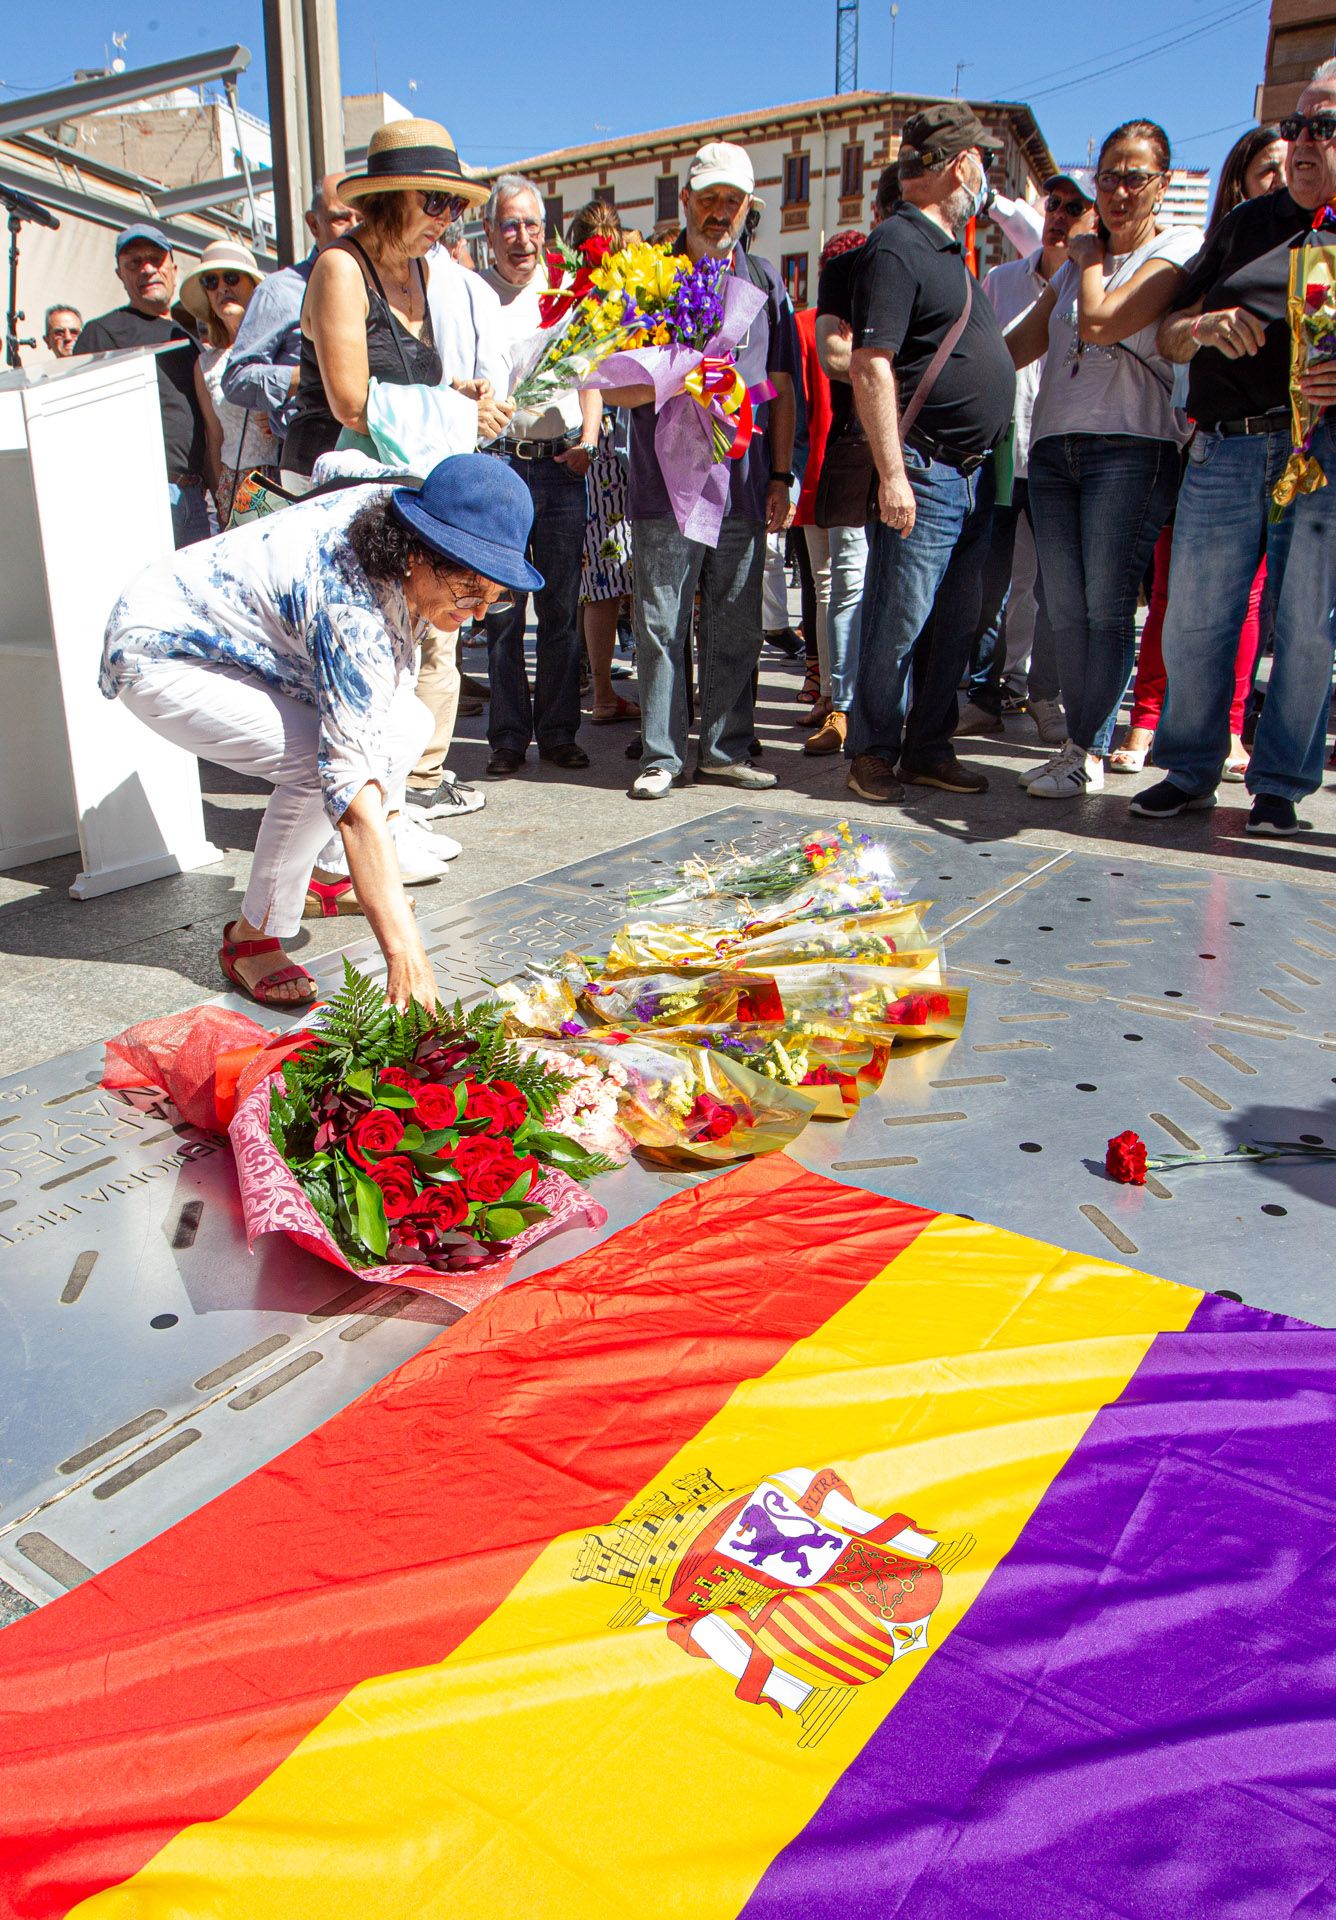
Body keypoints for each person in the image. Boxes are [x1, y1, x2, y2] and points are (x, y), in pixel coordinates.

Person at [99, 454, 539, 1010]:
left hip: (250, 643)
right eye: (468, 593)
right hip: (165, 651)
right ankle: (251, 938)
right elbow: (350, 787)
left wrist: (385, 834)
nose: (476, 614)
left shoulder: (399, 527)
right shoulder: (349, 602)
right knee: (319, 762)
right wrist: (407, 956)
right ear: (419, 553)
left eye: (493, 598)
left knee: (406, 726)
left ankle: (328, 875)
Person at [1131, 61, 1336, 836]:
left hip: (1320, 452)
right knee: (1196, 620)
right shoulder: (1248, 222)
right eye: (1297, 127)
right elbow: (1170, 331)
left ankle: (1279, 784)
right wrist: (1207, 327)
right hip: (1225, 447)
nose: (1303, 143)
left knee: (1306, 624)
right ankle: (1188, 769)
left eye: (1325, 127)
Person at [1007, 120, 1198, 800]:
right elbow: (1024, 342)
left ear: (1163, 184)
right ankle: (1071, 747)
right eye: (1108, 176)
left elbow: (1101, 322)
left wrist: (1087, 258)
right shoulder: (1074, 263)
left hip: (1132, 446)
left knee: (1105, 606)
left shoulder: (1177, 247)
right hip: (1054, 446)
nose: (1118, 190)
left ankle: (1084, 748)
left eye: (1135, 176)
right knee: (1064, 605)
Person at [603, 141, 797, 800]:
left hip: (742, 485)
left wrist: (780, 475)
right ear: (685, 200)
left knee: (736, 621)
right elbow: (612, 383)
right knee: (660, 623)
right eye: (708, 198)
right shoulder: (649, 279)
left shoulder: (767, 282)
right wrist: (682, 373)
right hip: (665, 485)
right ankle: (661, 754)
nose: (720, 212)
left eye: (732, 201)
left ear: (749, 208)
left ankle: (723, 748)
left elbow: (779, 384)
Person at [844, 103, 1016, 805]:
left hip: (967, 474)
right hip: (925, 469)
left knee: (950, 624)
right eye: (980, 158)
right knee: (899, 621)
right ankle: (874, 753)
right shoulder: (898, 243)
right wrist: (892, 473)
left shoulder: (949, 250)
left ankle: (928, 747)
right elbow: (871, 364)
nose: (985, 171)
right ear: (958, 163)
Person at [1112, 124, 1287, 777]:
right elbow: (1170, 333)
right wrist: (1205, 328)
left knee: (1251, 603)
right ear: (1241, 178)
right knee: (1176, 594)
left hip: (1294, 446)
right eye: (1266, 169)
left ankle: (1234, 730)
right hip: (1204, 440)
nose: (1280, 179)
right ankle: (1149, 719)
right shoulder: (1225, 243)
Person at [956, 171, 1098, 744]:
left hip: (1061, 449)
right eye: (1054, 203)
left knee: (1054, 585)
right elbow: (989, 357)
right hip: (1003, 447)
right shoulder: (1001, 279)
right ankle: (985, 694)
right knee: (990, 582)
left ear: (1094, 217)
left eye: (1074, 206)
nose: (1060, 214)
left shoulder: (1094, 282)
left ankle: (1044, 696)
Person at [478, 173, 602, 777]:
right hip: (499, 463)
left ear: (545, 233)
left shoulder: (568, 294)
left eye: (531, 225)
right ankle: (506, 738)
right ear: (489, 233)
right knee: (501, 610)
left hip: (560, 465)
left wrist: (590, 439)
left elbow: (593, 374)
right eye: (510, 225)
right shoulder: (473, 297)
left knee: (560, 608)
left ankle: (557, 732)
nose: (522, 238)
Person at [282, 119, 486, 479]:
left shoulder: (419, 269)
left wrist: (455, 392)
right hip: (327, 482)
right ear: (388, 198)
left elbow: (402, 377)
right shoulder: (340, 268)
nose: (445, 220)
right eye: (436, 200)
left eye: (456, 205)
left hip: (389, 477)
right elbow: (353, 405)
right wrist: (458, 416)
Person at [73, 225, 210, 547]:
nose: (146, 269)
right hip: (144, 493)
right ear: (120, 274)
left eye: (154, 259)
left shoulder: (187, 337)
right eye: (134, 263)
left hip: (195, 494)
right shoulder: (102, 333)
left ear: (173, 269)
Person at [221, 173, 358, 464]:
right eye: (341, 218)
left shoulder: (378, 286)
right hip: (309, 463)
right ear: (313, 223)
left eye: (362, 217)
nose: (355, 227)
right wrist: (301, 377)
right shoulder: (279, 291)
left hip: (374, 458)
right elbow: (236, 378)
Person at [568, 200, 640, 728]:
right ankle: (603, 692)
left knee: (601, 576)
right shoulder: (612, 302)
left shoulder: (569, 299)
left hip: (590, 445)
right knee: (612, 576)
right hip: (612, 443)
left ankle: (600, 688)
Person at [796, 229, 866, 754]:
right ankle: (843, 698)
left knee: (826, 587)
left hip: (810, 470)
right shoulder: (866, 324)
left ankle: (827, 692)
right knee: (849, 585)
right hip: (848, 468)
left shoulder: (803, 322)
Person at [179, 239, 271, 523]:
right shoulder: (206, 363)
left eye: (231, 278)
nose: (222, 288)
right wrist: (222, 494)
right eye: (211, 281)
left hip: (281, 476)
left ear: (253, 287)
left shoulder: (280, 344)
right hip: (235, 485)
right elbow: (213, 438)